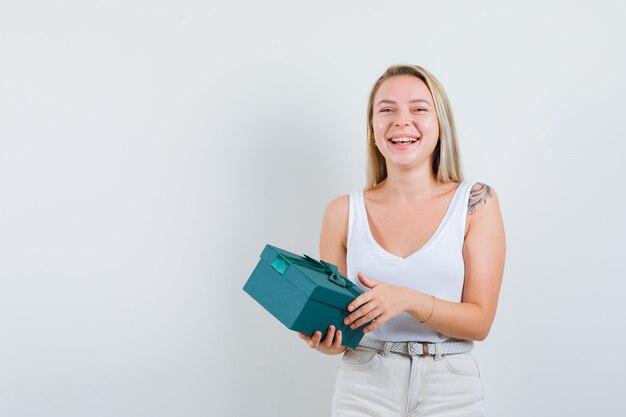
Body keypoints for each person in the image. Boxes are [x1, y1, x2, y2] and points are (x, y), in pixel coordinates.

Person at [297, 64, 506, 417]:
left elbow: (480, 322)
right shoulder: (342, 212)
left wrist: (407, 299)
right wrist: (327, 340)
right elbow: (338, 322)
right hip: (364, 383)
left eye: (419, 109)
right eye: (387, 109)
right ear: (373, 130)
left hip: (451, 386)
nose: (401, 120)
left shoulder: (476, 202)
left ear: (441, 125)